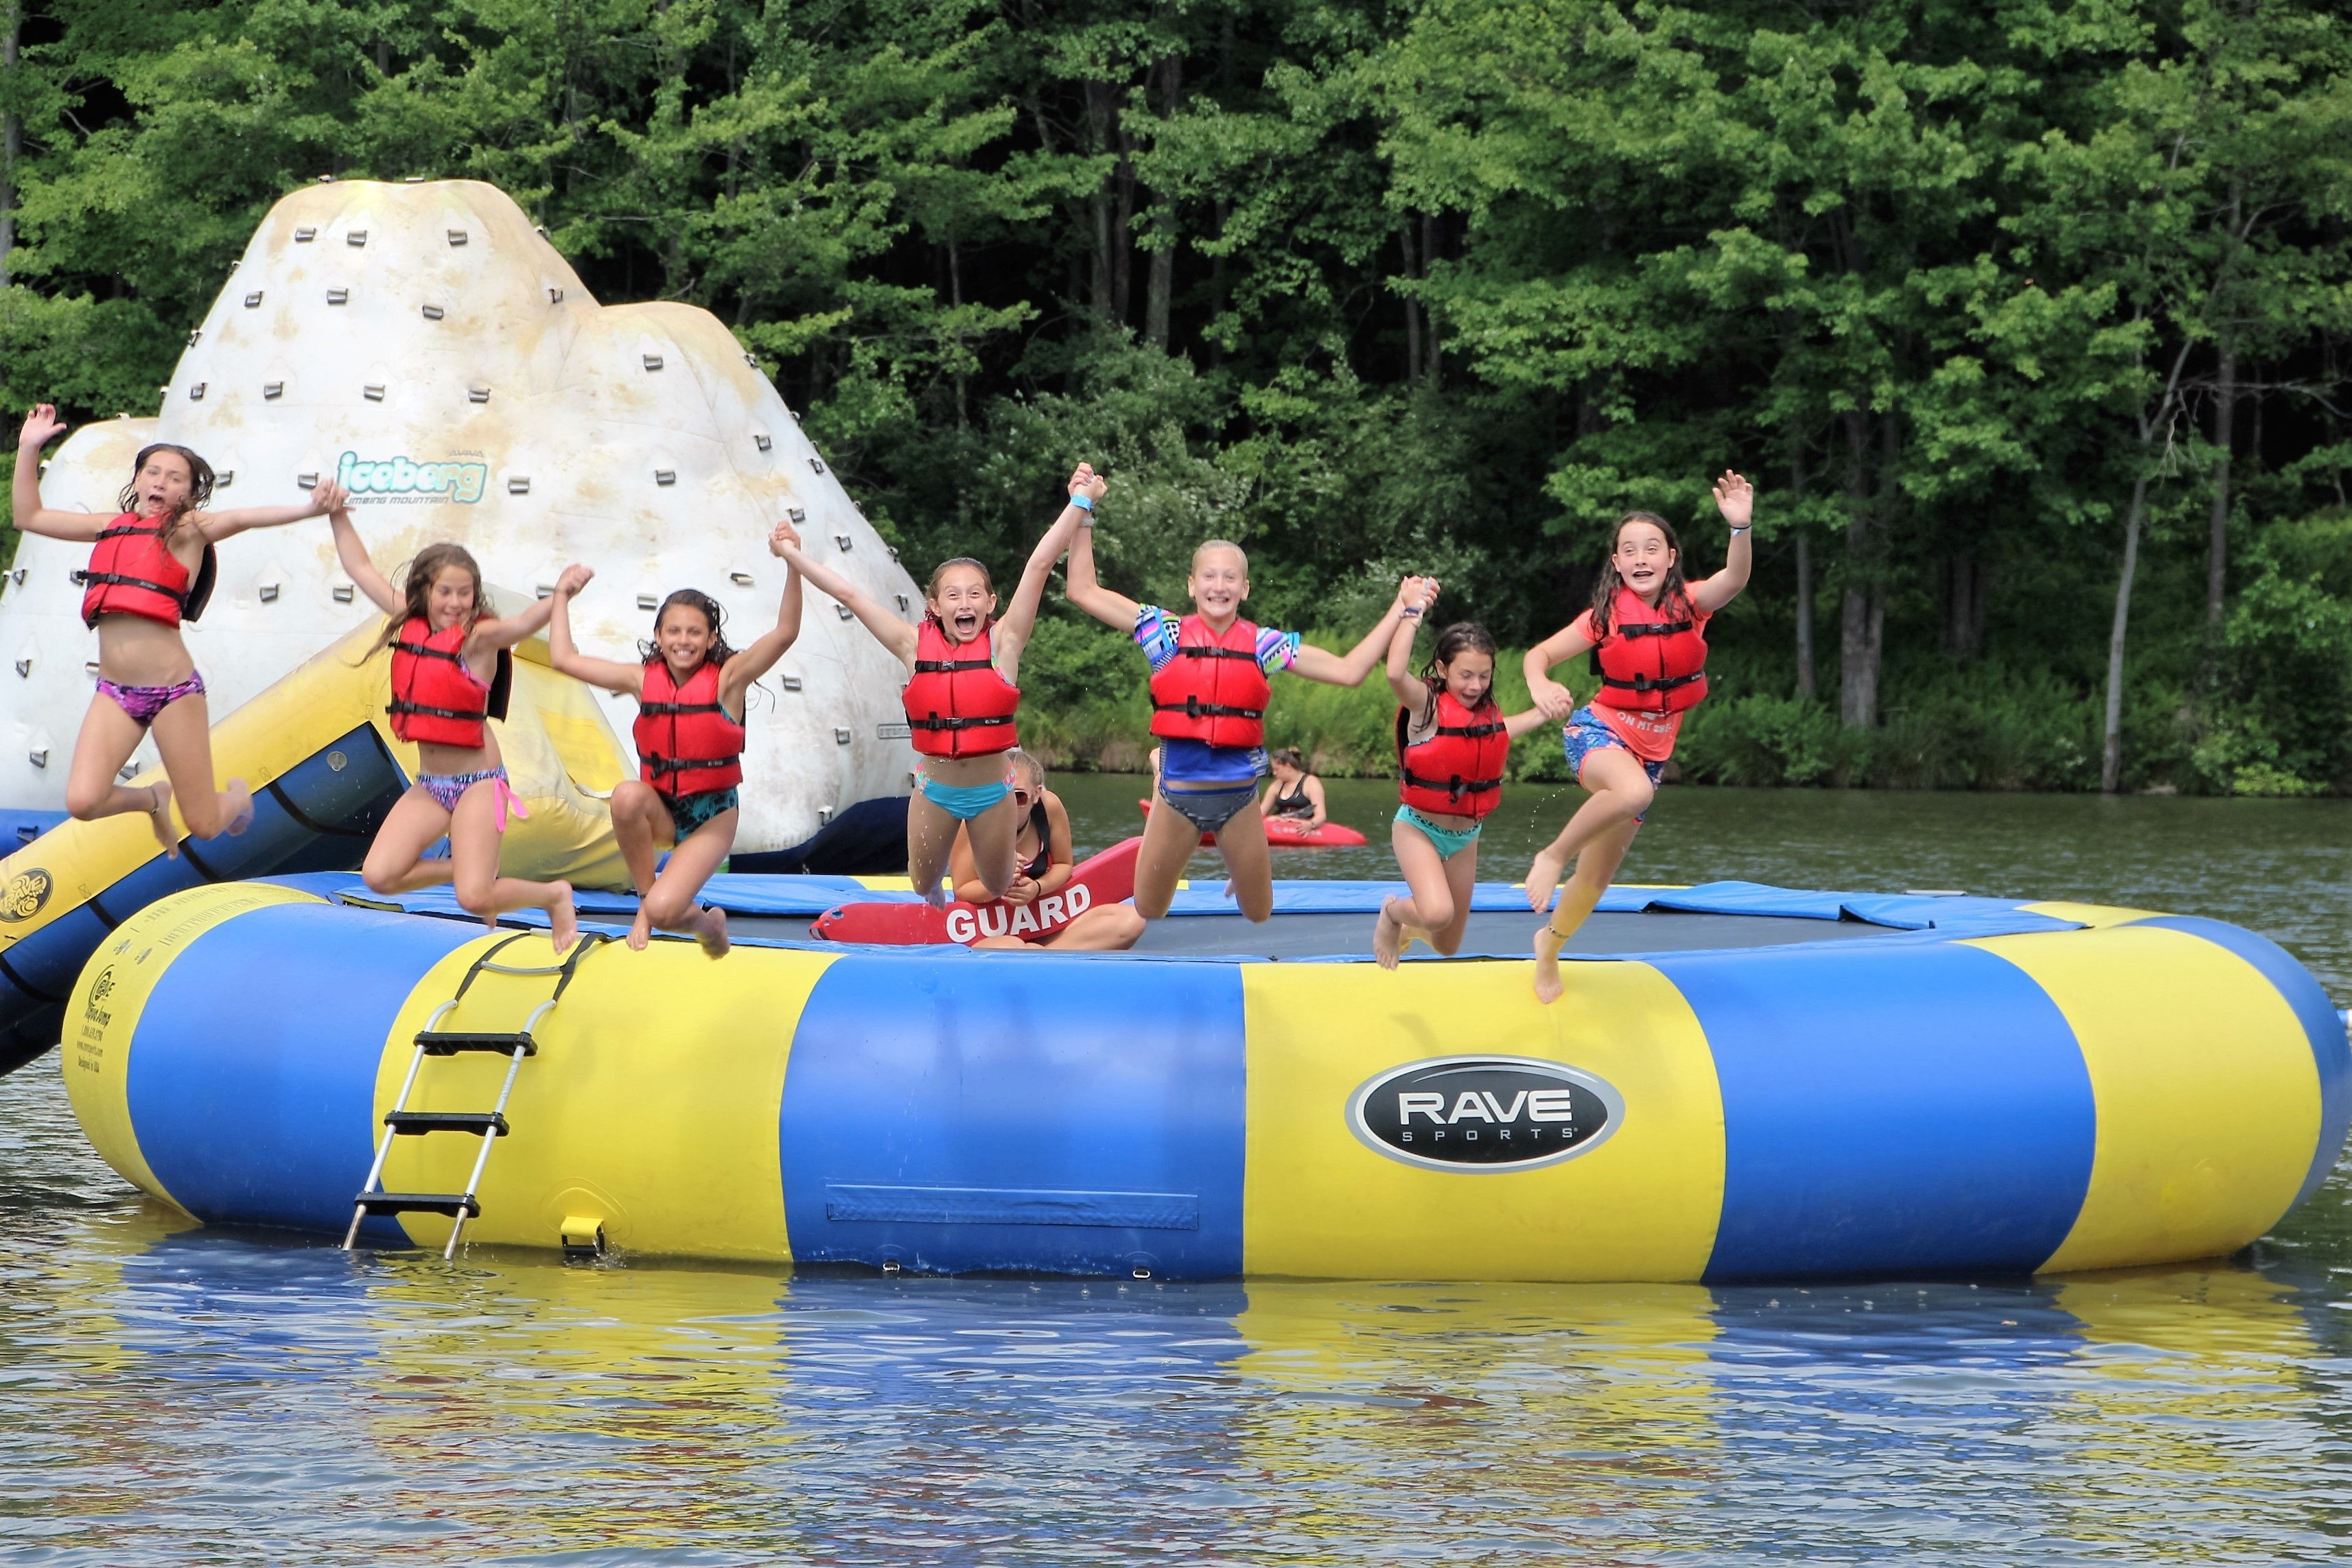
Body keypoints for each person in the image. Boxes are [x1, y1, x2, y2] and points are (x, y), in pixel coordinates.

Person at [12, 404, 346, 856]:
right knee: (83, 801)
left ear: (189, 493)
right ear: (137, 480)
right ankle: (152, 799)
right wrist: (28, 448)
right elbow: (29, 516)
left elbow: (246, 517)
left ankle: (236, 799)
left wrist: (310, 508)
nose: (161, 482)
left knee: (203, 825)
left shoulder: (189, 531)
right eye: (153, 473)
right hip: (115, 692)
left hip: (173, 692)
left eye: (174, 478)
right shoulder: (109, 527)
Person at [1063, 515, 1427, 922]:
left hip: (1238, 798)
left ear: (1245, 588)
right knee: (1149, 908)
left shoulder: (1264, 645)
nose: (1219, 586)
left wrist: (1402, 608)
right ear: (1192, 585)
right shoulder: (1162, 632)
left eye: (1230, 578)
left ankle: (1236, 859)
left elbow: (1349, 671)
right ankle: (1159, 770)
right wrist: (1083, 512)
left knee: (1258, 913)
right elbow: (1082, 590)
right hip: (1177, 797)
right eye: (1209, 576)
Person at [775, 463, 1099, 906]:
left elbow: (1040, 565)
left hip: (992, 793)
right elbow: (849, 595)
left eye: (974, 594)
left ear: (991, 603)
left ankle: (1004, 874)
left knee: (999, 885)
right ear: (935, 606)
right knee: (921, 882)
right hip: (935, 791)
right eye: (953, 595)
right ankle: (936, 891)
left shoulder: (1004, 643)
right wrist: (791, 555)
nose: (965, 603)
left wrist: (1079, 503)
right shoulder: (911, 646)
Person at [1523, 473, 1754, 1003]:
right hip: (1597, 733)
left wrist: (1739, 529)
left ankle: (1548, 947)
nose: (1640, 557)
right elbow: (1538, 655)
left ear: (1670, 558)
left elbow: (1734, 579)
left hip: (1648, 757)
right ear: (1616, 562)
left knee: (1594, 881)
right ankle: (1552, 854)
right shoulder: (1603, 617)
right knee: (1632, 792)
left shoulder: (1692, 604)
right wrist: (1540, 683)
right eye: (1629, 550)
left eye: (1651, 548)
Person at [546, 523, 804, 956]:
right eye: (674, 632)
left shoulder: (729, 679)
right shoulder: (641, 680)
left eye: (695, 633)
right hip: (663, 809)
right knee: (626, 795)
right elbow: (563, 659)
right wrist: (560, 596)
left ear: (711, 638)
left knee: (670, 911)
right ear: (659, 637)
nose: (683, 641)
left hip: (711, 816)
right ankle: (647, 902)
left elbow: (786, 632)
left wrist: (792, 562)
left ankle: (707, 925)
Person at [330, 506, 579, 952]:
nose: (455, 603)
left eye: (465, 593)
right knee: (379, 875)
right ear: (424, 591)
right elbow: (359, 567)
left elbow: (522, 624)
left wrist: (560, 595)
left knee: (474, 898)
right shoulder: (409, 621)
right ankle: (469, 869)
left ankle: (553, 896)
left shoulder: (477, 639)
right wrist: (337, 514)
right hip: (431, 786)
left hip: (479, 783)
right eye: (445, 592)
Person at [1374, 606, 1552, 968]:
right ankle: (1392, 914)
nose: (1475, 685)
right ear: (1443, 669)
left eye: (1484, 676)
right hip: (1418, 829)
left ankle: (1411, 926)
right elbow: (1394, 673)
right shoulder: (1425, 706)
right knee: (1438, 912)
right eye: (1466, 675)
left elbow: (1500, 732)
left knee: (1447, 945)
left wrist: (1543, 712)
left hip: (1466, 837)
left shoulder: (1484, 713)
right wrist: (1411, 615)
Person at [949, 751, 1145, 951]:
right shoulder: (970, 822)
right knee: (1013, 946)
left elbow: (1063, 865)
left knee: (1132, 921)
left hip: (1045, 921)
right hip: (990, 931)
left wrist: (1037, 887)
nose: (1007, 806)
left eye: (1018, 796)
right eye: (997, 796)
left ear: (1036, 795)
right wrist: (999, 883)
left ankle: (1045, 954)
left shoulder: (1049, 807)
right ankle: (1046, 956)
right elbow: (963, 890)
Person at [1259, 747, 1327, 836]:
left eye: (1277, 769)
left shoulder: (1311, 783)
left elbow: (1321, 815)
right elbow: (1261, 813)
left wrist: (1311, 824)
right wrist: (1272, 819)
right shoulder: (1276, 785)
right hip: (1280, 824)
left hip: (1303, 824)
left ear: (1288, 766)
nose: (1274, 773)